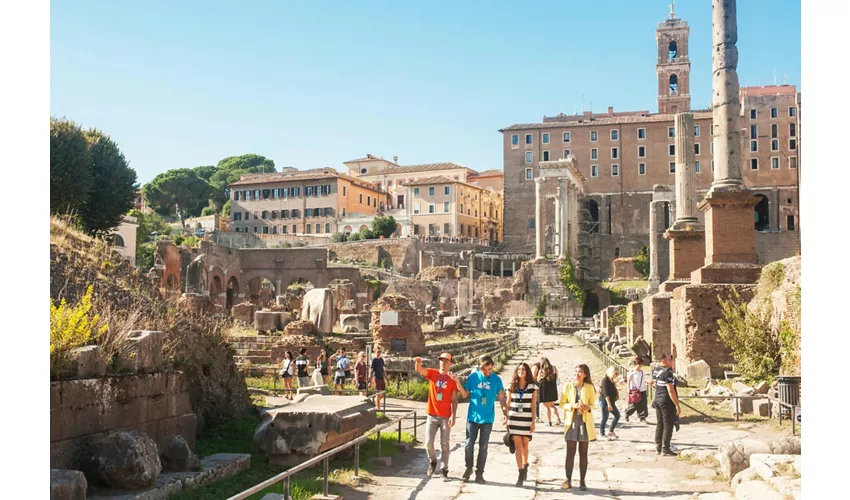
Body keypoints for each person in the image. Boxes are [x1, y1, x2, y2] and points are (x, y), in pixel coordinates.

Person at [451, 355, 506, 484]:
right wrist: (457, 382)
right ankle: (468, 467)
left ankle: (479, 473)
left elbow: (502, 397)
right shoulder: (473, 377)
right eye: (485, 370)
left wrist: (505, 413)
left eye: (490, 370)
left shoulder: (496, 380)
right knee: (469, 444)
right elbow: (465, 394)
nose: (487, 373)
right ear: (479, 368)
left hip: (487, 418)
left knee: (483, 446)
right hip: (473, 417)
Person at [415, 353, 459, 479]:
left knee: (445, 444)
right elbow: (420, 370)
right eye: (441, 360)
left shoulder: (452, 379)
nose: (443, 363)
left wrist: (453, 416)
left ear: (450, 364)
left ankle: (444, 469)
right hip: (432, 414)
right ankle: (433, 460)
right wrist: (418, 362)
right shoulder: (433, 374)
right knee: (428, 442)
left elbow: (455, 399)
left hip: (445, 416)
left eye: (446, 361)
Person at [560, 364, 597, 491]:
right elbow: (562, 403)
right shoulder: (568, 386)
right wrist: (573, 406)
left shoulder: (589, 387)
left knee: (583, 453)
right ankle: (568, 479)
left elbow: (594, 404)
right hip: (571, 421)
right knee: (570, 452)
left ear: (585, 374)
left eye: (580, 372)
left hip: (584, 421)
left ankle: (582, 481)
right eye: (576, 371)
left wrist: (587, 407)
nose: (577, 374)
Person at [505, 362, 537, 487]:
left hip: (526, 420)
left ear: (527, 371)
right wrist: (505, 418)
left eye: (523, 369)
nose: (521, 371)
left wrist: (533, 421)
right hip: (514, 419)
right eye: (519, 369)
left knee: (525, 445)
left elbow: (533, 405)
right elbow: (508, 403)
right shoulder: (511, 386)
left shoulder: (532, 387)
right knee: (518, 446)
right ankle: (520, 473)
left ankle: (525, 464)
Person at [651, 354, 681, 456]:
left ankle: (658, 446)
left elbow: (654, 383)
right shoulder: (668, 373)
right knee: (668, 424)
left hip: (658, 400)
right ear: (665, 360)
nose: (672, 361)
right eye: (670, 359)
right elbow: (670, 390)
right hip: (666, 402)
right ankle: (665, 448)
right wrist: (677, 404)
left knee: (660, 423)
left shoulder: (659, 373)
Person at [537, 357, 562, 426]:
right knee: (552, 405)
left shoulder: (541, 370)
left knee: (546, 406)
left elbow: (538, 379)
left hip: (544, 389)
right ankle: (558, 419)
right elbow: (557, 377)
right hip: (552, 388)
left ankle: (549, 422)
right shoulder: (554, 368)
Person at [599, 366, 621, 440]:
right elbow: (605, 393)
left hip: (612, 401)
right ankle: (602, 433)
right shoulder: (605, 380)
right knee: (605, 417)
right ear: (612, 372)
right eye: (616, 373)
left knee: (617, 415)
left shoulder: (611, 379)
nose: (616, 375)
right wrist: (609, 404)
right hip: (605, 401)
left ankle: (611, 431)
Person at [625, 356, 649, 423]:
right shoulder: (632, 372)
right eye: (639, 364)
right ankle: (627, 412)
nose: (640, 366)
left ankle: (642, 417)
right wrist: (628, 389)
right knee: (634, 405)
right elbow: (628, 381)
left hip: (642, 390)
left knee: (643, 405)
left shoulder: (642, 372)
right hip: (634, 390)